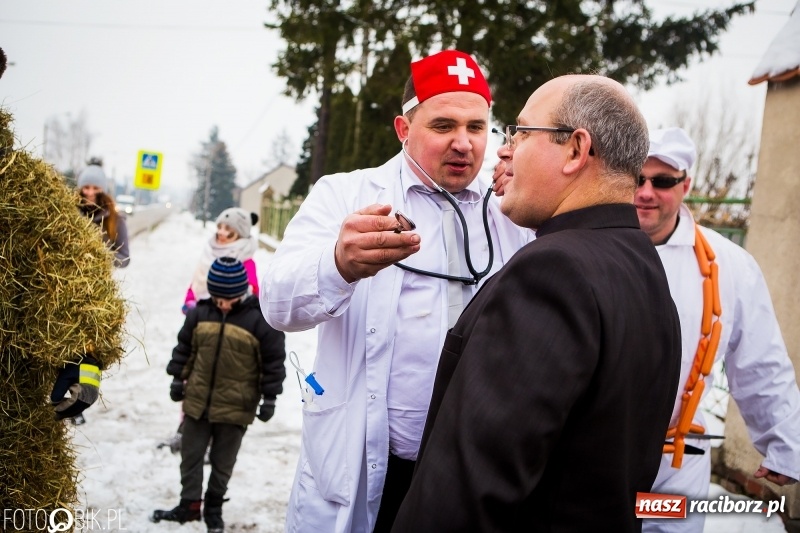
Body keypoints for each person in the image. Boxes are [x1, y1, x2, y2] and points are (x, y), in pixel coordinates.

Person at [392, 74, 682, 532]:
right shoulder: (641, 263)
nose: (504, 152)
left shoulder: (553, 272)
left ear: (576, 150)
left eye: (521, 133)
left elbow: (469, 488)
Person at [260, 49, 531, 532]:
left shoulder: (512, 206)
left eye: (476, 127)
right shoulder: (344, 195)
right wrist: (338, 264)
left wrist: (536, 190)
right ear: (403, 129)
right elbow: (277, 303)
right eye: (443, 125)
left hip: (474, 465)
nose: (464, 143)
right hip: (375, 465)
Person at [635, 127, 800, 533]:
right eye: (637, 178)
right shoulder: (586, 248)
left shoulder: (731, 266)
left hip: (675, 468)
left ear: (686, 185)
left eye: (662, 181)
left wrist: (784, 443)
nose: (646, 192)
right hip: (593, 459)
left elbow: (760, 360)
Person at [152, 257, 287, 533]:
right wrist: (177, 378)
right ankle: (189, 505)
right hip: (197, 401)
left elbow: (274, 363)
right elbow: (184, 348)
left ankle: (214, 508)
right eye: (218, 299)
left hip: (237, 407)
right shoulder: (200, 313)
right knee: (190, 456)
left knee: (222, 463)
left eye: (229, 299)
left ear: (242, 292)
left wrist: (270, 398)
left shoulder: (260, 321)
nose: (223, 304)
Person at [184, 207, 260, 314]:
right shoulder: (208, 252)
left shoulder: (245, 261)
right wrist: (190, 301)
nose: (221, 232)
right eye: (219, 227)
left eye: (228, 229)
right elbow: (196, 281)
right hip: (202, 313)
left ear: (240, 234)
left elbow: (252, 291)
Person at [77, 159, 130, 268]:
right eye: (86, 187)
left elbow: (124, 259)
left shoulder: (116, 220)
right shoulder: (70, 213)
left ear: (103, 190)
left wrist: (101, 253)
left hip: (96, 276)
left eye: (96, 188)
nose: (90, 193)